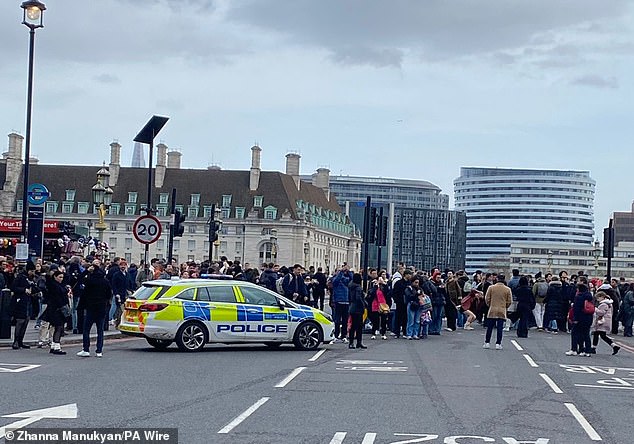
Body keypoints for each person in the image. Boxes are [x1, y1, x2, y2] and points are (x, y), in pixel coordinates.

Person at [77, 261, 112, 358]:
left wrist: (86, 272)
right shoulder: (105, 281)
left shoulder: (90, 280)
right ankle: (99, 351)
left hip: (90, 307)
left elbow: (79, 279)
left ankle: (86, 349)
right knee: (100, 330)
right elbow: (109, 294)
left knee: (86, 329)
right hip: (101, 307)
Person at [41, 270, 71, 355]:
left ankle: (54, 346)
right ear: (55, 277)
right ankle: (57, 347)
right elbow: (48, 282)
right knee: (59, 327)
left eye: (62, 277)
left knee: (59, 327)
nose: (61, 279)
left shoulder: (60, 285)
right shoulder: (53, 285)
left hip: (59, 309)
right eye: (60, 277)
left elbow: (67, 278)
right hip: (56, 309)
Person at [10, 263, 37, 349]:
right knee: (20, 321)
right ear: (28, 270)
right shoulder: (20, 277)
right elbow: (13, 287)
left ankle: (21, 341)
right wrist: (23, 290)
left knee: (26, 321)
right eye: (32, 271)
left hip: (28, 302)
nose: (33, 273)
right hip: (20, 302)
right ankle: (16, 342)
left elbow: (34, 288)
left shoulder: (32, 279)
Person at [483, 274, 512, 350]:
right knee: (500, 328)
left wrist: (490, 305)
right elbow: (509, 301)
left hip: (492, 309)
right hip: (502, 310)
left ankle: (487, 342)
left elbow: (487, 298)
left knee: (490, 327)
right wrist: (505, 306)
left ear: (497, 279)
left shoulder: (491, 288)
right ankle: (498, 344)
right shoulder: (507, 289)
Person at [566, 283, 593, 357]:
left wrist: (575, 319)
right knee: (586, 334)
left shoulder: (579, 297)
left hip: (580, 318)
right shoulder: (590, 297)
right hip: (588, 318)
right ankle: (587, 351)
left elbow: (576, 309)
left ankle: (574, 349)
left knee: (574, 333)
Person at [590, 291, 620, 355]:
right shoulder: (609, 303)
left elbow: (601, 313)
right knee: (601, 335)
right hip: (606, 321)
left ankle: (593, 348)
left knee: (598, 334)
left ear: (602, 297)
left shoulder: (603, 304)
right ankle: (614, 346)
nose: (597, 300)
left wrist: (595, 309)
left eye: (598, 298)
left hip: (602, 322)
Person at [330, 264, 353, 343]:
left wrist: (348, 271)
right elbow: (335, 281)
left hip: (346, 301)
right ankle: (336, 335)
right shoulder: (334, 280)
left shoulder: (345, 280)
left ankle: (344, 335)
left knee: (345, 320)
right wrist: (341, 272)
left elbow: (351, 279)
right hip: (338, 301)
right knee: (337, 320)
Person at [347, 273, 367, 349]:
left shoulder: (351, 286)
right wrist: (364, 304)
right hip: (358, 308)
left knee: (353, 326)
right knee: (359, 326)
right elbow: (358, 298)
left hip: (352, 307)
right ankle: (359, 342)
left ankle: (351, 342)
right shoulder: (358, 287)